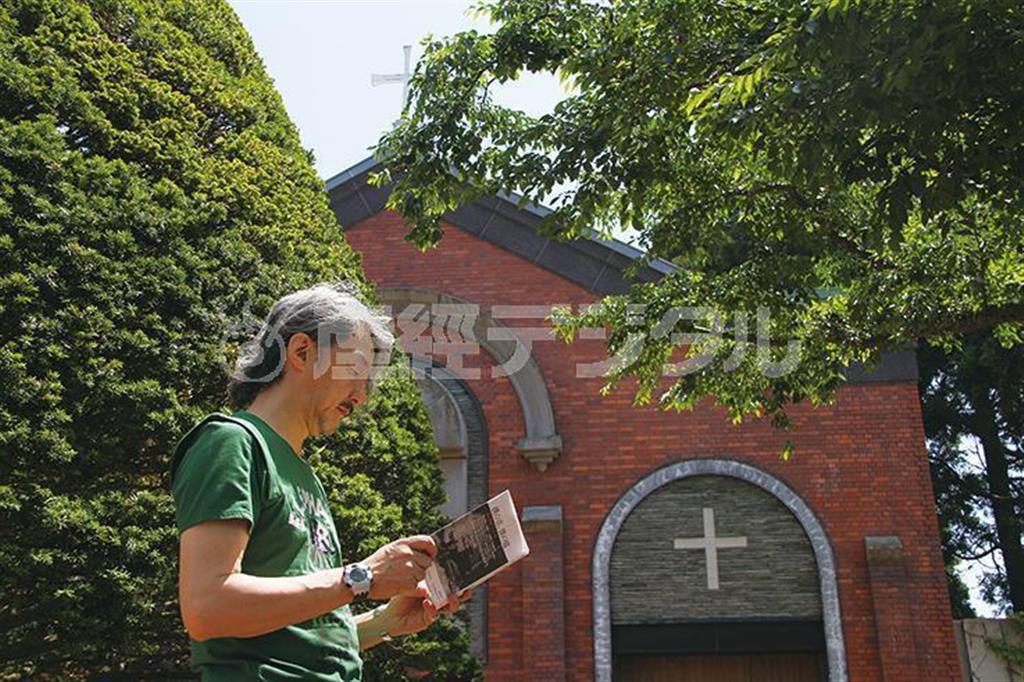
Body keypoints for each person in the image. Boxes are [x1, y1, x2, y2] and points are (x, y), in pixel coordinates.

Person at [169, 282, 466, 681]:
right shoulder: (233, 442)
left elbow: (293, 640)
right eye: (355, 373)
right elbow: (208, 607)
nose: (361, 397)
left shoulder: (304, 473)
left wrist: (385, 621)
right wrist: (361, 576)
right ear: (301, 352)